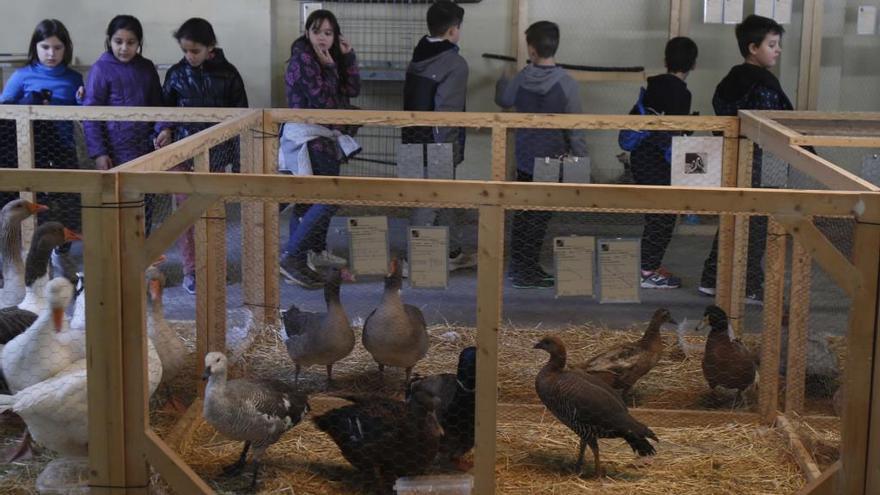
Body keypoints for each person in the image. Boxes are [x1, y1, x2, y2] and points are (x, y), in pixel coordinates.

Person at [698, 15, 792, 304]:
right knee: (759, 224)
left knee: (732, 218)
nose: (778, 50)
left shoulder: (731, 80)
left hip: (735, 159)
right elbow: (772, 126)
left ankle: (712, 279)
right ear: (753, 48)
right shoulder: (762, 84)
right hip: (765, 163)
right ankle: (749, 285)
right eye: (772, 44)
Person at [154, 17, 249, 295]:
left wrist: (238, 162)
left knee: (213, 213)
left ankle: (214, 265)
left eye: (194, 51)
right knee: (185, 215)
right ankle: (191, 269)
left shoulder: (229, 75)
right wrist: (165, 130)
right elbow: (164, 109)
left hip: (217, 156)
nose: (189, 56)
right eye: (185, 51)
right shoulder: (175, 74)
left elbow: (241, 118)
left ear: (211, 47)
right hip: (184, 153)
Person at [495, 21, 588, 289]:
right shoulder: (567, 84)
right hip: (552, 159)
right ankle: (528, 271)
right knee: (539, 215)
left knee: (522, 213)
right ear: (554, 46)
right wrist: (582, 162)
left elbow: (504, 100)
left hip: (525, 156)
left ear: (532, 49)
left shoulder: (521, 78)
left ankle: (518, 268)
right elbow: (576, 128)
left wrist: (502, 79)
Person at [279, 9, 360, 289]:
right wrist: (329, 69)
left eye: (329, 33)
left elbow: (352, 90)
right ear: (307, 33)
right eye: (317, 32)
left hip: (326, 136)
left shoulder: (328, 58)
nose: (323, 38)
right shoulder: (303, 60)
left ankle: (302, 259)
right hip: (308, 137)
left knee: (308, 200)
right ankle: (293, 255)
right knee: (324, 197)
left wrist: (347, 58)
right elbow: (324, 102)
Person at [403, 0, 475, 272]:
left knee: (441, 196)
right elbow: (448, 115)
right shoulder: (455, 64)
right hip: (438, 144)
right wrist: (450, 151)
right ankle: (412, 260)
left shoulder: (417, 56)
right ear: (454, 30)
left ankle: (452, 251)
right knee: (430, 199)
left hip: (411, 138)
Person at [0, 19, 84, 232]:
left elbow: (82, 112)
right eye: (45, 47)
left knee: (66, 198)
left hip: (63, 148)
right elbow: (4, 112)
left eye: (57, 48)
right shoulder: (21, 76)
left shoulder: (74, 78)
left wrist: (84, 100)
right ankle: (22, 244)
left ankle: (61, 250)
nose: (51, 53)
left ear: (66, 49)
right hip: (27, 150)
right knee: (28, 197)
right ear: (35, 47)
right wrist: (29, 102)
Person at [83, 15, 163, 234]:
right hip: (113, 152)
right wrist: (99, 153)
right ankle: (116, 264)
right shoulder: (100, 68)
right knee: (115, 206)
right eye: (119, 42)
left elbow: (159, 105)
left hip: (145, 149)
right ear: (110, 40)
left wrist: (163, 128)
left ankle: (143, 261)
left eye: (131, 42)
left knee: (144, 205)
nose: (124, 48)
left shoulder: (146, 68)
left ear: (139, 43)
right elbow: (91, 114)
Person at [629, 37, 698, 290]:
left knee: (655, 214)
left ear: (665, 61)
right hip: (661, 161)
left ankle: (649, 265)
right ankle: (647, 270)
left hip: (640, 157)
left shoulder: (652, 86)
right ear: (694, 64)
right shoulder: (682, 94)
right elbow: (674, 133)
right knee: (664, 216)